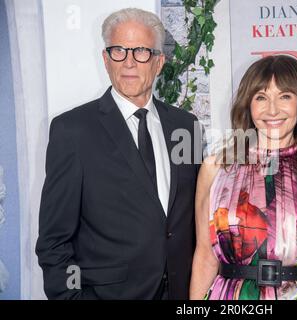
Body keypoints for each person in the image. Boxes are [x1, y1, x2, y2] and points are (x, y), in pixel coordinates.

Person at [36, 8, 201, 300]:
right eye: (118, 51)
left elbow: (191, 222)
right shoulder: (72, 131)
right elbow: (54, 242)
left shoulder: (186, 126)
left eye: (140, 52)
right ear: (105, 58)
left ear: (159, 62)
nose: (128, 62)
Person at [190, 55, 297, 300]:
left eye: (285, 96)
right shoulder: (216, 168)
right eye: (261, 97)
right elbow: (204, 257)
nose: (272, 109)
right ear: (248, 106)